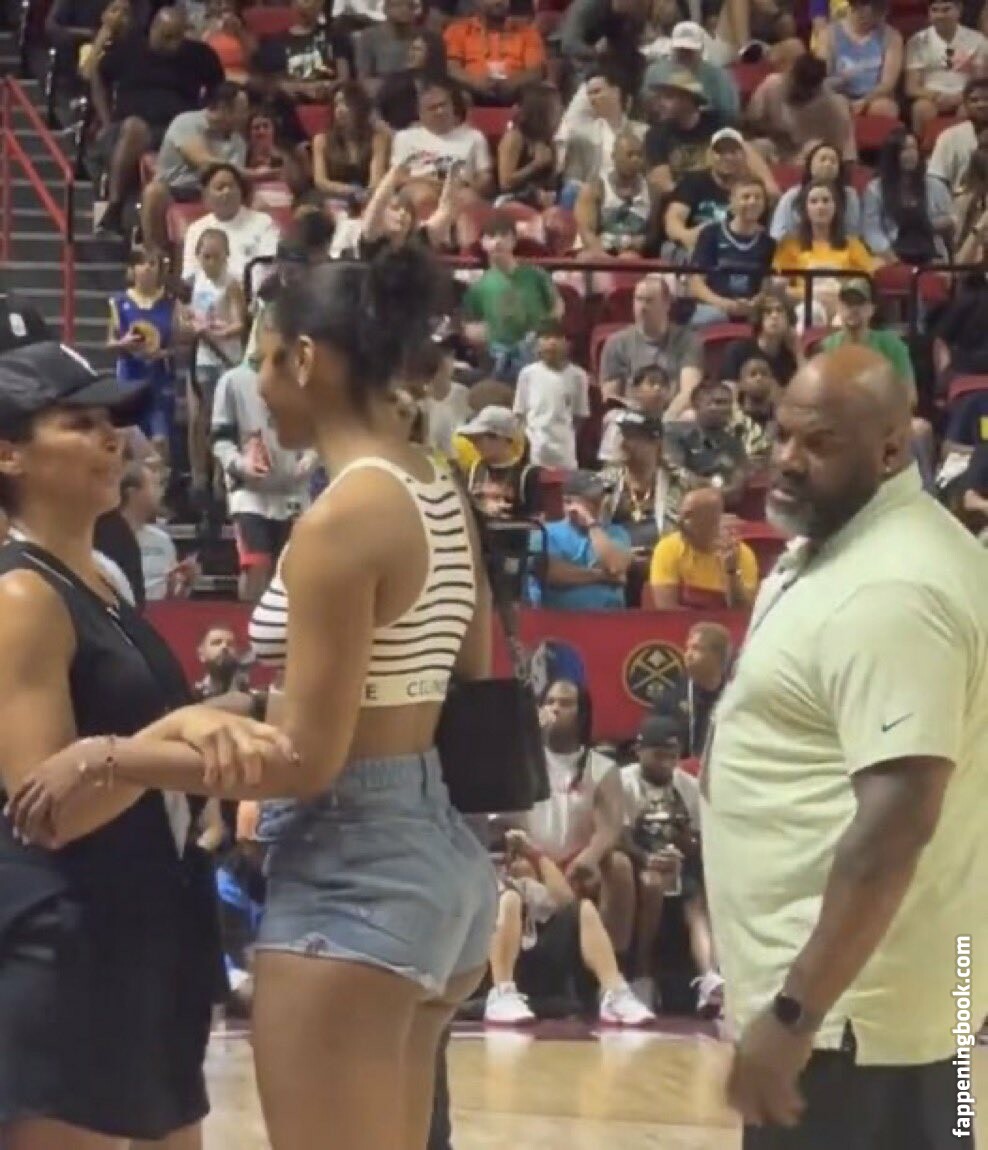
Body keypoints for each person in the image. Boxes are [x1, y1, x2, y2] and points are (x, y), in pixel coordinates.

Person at [9, 251, 500, 1150]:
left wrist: (110, 754)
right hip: (441, 857)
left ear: (304, 359)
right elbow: (470, 674)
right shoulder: (436, 480)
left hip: (353, 864)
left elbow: (306, 761)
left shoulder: (341, 517)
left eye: (263, 359)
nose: (258, 386)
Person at [702, 344, 988, 1143]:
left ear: (892, 450)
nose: (788, 460)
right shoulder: (852, 544)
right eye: (782, 435)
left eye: (820, 443)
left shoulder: (894, 587)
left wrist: (795, 1011)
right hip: (900, 1010)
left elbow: (897, 821)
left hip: (850, 1024)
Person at [0, 341, 274, 1148]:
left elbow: (147, 737)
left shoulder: (103, 586)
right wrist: (168, 732)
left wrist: (237, 707)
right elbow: (47, 812)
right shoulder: (21, 596)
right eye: (78, 423)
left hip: (152, 925)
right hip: (68, 941)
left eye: (112, 422)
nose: (110, 438)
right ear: (9, 453)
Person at [485, 828, 655, 1025]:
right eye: (513, 856)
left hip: (540, 958)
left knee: (584, 908)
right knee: (509, 900)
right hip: (488, 962)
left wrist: (536, 856)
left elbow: (565, 900)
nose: (517, 862)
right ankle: (501, 992)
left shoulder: (536, 890)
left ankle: (615, 992)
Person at [620, 714, 724, 1017]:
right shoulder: (624, 781)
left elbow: (699, 841)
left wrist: (685, 842)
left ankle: (709, 976)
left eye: (672, 756)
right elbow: (620, 836)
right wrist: (647, 858)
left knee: (697, 894)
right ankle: (642, 975)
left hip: (677, 864)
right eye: (658, 755)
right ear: (639, 751)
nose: (666, 763)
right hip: (638, 860)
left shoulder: (687, 786)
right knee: (652, 884)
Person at [648, 485, 760, 609]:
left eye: (689, 515)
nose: (680, 521)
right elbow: (666, 608)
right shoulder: (667, 548)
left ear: (713, 518)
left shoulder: (743, 555)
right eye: (681, 513)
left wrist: (731, 572)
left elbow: (743, 612)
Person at [537, 470, 634, 612]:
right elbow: (552, 573)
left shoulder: (616, 532)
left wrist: (592, 524)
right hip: (564, 618)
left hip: (610, 617)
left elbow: (615, 567)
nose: (600, 504)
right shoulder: (548, 533)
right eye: (592, 500)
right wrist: (603, 576)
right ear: (568, 502)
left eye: (600, 498)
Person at [512, 319, 590, 470]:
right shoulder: (528, 374)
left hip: (565, 454)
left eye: (557, 337)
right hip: (534, 453)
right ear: (537, 345)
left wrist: (565, 435)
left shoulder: (578, 376)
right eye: (546, 337)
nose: (552, 343)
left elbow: (579, 416)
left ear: (567, 343)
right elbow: (519, 414)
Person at [649, 621, 732, 756]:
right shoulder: (669, 698)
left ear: (718, 656)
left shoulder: (736, 694)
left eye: (696, 649)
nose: (688, 655)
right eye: (688, 648)